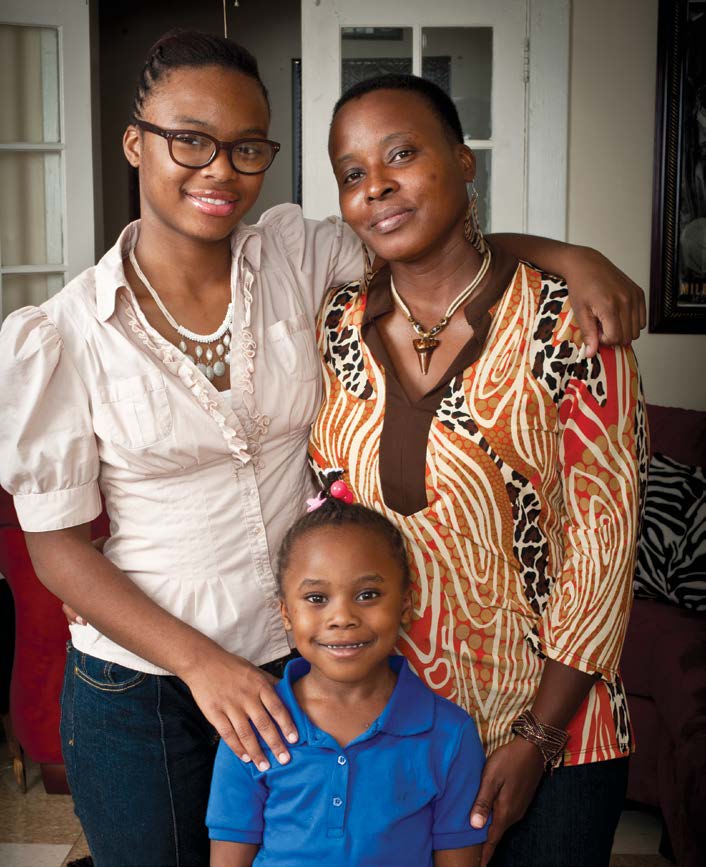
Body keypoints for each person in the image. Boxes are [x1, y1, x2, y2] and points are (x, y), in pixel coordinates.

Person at [0, 30, 643, 867]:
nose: (219, 169)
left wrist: (571, 256)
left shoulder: (295, 262)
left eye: (246, 148)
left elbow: (428, 242)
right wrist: (200, 664)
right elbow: (53, 549)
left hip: (309, 667)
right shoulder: (65, 331)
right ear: (135, 142)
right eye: (189, 139)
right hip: (150, 683)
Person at [311, 73, 648, 867]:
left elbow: (605, 545)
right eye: (353, 173)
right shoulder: (334, 324)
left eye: (402, 154)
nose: (377, 186)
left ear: (464, 163)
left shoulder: (572, 319)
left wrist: (537, 736)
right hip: (393, 728)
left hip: (560, 732)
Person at [208, 485, 487, 867]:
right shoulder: (254, 726)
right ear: (286, 613)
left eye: (368, 594)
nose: (342, 617)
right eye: (317, 599)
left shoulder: (449, 735)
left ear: (405, 604)